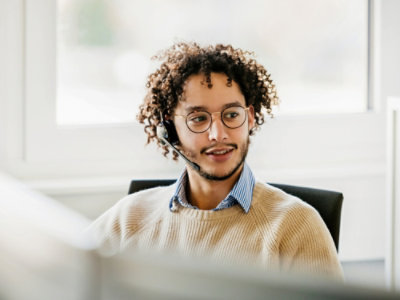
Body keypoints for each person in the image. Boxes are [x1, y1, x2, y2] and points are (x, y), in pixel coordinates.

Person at [88, 42, 343, 279]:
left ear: (250, 118)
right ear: (170, 129)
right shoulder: (129, 218)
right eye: (198, 118)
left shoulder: (296, 227)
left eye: (232, 114)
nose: (218, 134)